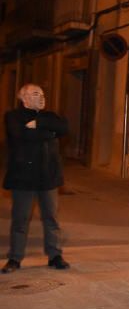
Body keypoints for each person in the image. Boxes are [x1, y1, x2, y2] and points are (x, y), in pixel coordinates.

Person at [2, 84, 70, 273]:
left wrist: (38, 124)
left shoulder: (49, 116)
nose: (41, 97)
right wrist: (49, 132)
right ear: (24, 98)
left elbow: (64, 127)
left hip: (48, 177)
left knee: (51, 218)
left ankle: (55, 255)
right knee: (20, 220)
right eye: (35, 94)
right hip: (23, 179)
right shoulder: (13, 116)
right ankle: (15, 258)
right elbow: (21, 135)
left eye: (42, 94)